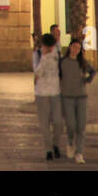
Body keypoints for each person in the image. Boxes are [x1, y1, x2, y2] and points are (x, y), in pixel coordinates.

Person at [60, 37, 96, 164]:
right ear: (70, 47)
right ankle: (70, 142)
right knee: (70, 125)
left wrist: (87, 81)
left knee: (81, 126)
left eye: (79, 48)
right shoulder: (62, 62)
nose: (76, 50)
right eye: (75, 47)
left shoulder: (82, 62)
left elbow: (93, 72)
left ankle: (79, 153)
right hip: (67, 98)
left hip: (81, 97)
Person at [34, 33, 63, 161]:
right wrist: (44, 58)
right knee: (44, 123)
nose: (50, 48)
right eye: (48, 46)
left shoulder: (57, 54)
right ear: (43, 45)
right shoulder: (37, 55)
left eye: (52, 46)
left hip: (55, 91)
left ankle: (55, 144)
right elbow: (37, 72)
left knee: (58, 122)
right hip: (41, 93)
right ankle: (48, 150)